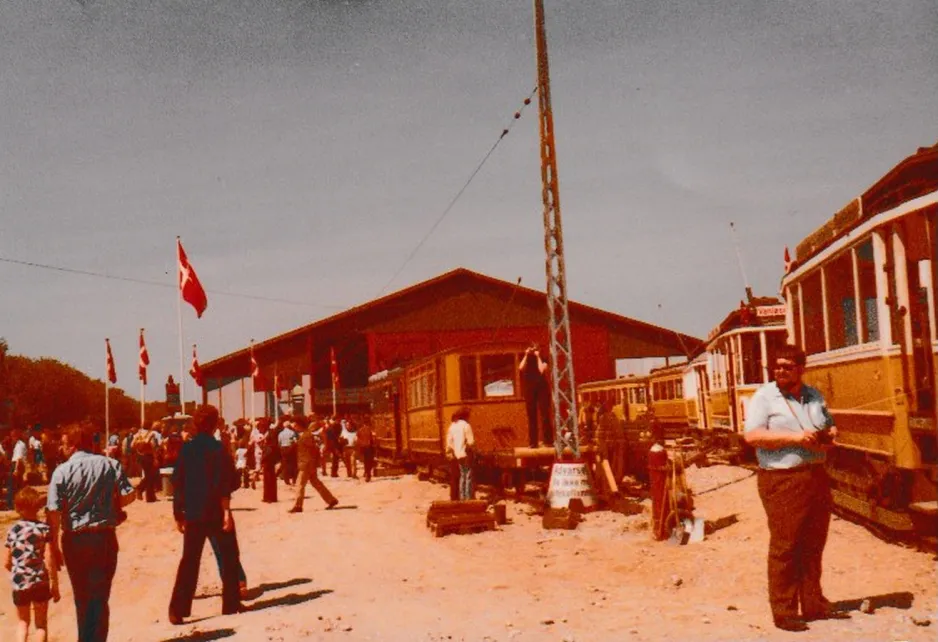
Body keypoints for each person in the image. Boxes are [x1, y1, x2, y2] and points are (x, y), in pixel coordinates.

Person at [743, 344, 846, 632]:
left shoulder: (814, 395)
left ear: (801, 368)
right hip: (782, 479)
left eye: (787, 366)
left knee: (813, 544)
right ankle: (784, 611)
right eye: (776, 366)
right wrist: (796, 438)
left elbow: (829, 423)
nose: (780, 371)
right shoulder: (764, 397)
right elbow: (752, 436)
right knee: (786, 546)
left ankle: (813, 605)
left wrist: (830, 433)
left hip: (815, 475)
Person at [46, 424, 136, 642]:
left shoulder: (62, 471)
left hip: (75, 540)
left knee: (82, 597)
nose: (62, 448)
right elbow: (129, 495)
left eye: (65, 444)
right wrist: (114, 507)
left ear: (74, 445)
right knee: (100, 596)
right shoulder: (110, 464)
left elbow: (54, 511)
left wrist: (54, 546)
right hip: (103, 538)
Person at [168, 404, 241, 625]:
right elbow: (225, 483)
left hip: (192, 512)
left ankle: (178, 609)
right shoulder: (219, 449)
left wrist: (177, 513)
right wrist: (227, 511)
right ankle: (230, 604)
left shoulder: (187, 449)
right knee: (229, 556)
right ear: (214, 423)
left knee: (189, 561)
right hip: (215, 510)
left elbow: (177, 482)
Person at [5, 487, 61, 642]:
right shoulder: (43, 529)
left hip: (19, 581)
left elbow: (7, 562)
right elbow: (50, 559)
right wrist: (54, 585)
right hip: (39, 581)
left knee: (22, 622)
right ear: (37, 507)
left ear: (17, 508)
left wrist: (17, 572)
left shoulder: (13, 530)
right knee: (41, 624)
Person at [288, 417, 338, 513]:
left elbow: (312, 450)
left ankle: (298, 506)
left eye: (294, 425)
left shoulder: (306, 436)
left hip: (306, 463)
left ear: (299, 425)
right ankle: (331, 500)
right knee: (316, 483)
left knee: (300, 484)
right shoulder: (305, 435)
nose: (294, 427)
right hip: (309, 463)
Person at [519, 345, 552, 448]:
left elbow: (541, 369)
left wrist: (538, 357)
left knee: (544, 414)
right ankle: (533, 442)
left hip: (542, 388)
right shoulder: (527, 358)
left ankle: (548, 441)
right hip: (530, 388)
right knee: (531, 416)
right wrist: (526, 354)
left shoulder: (543, 358)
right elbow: (520, 368)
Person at [445, 407, 475, 501]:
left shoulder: (452, 426)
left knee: (459, 476)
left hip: (455, 455)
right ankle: (467, 497)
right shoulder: (466, 425)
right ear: (466, 416)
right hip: (465, 454)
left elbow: (449, 442)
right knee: (467, 476)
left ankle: (458, 497)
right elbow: (471, 442)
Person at [132, 423, 159, 503]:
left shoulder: (138, 434)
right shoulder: (151, 434)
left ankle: (151, 496)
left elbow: (132, 445)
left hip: (140, 456)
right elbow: (153, 446)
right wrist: (155, 458)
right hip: (149, 456)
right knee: (150, 475)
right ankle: (141, 489)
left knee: (148, 475)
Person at [277, 421, 298, 486]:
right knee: (293, 464)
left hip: (283, 448)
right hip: (291, 448)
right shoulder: (292, 433)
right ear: (289, 426)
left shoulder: (280, 433)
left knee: (285, 464)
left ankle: (287, 480)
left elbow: (279, 443)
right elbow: (295, 441)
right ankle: (294, 480)